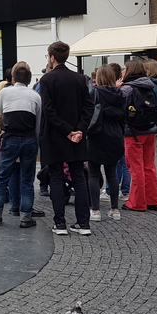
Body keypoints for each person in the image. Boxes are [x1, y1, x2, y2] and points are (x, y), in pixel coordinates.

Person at [38, 41, 94, 236]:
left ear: (52, 58)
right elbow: (89, 106)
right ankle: (83, 223)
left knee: (56, 177)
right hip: (77, 136)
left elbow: (48, 110)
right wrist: (79, 130)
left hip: (55, 135)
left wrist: (67, 130)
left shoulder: (47, 80)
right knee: (78, 177)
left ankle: (60, 223)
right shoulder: (79, 79)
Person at [0, 62, 42, 228]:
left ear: (13, 78)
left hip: (10, 137)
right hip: (29, 138)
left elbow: (0, 112)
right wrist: (36, 143)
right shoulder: (35, 96)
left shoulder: (3, 93)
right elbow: (38, 124)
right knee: (27, 179)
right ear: (29, 80)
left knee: (2, 177)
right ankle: (25, 217)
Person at [118, 60, 157, 213]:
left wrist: (117, 89)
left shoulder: (127, 89)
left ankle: (137, 203)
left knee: (135, 168)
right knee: (149, 166)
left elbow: (118, 108)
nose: (123, 71)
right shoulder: (150, 86)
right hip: (150, 130)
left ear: (130, 70)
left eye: (125, 69)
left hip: (133, 132)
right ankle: (153, 200)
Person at [86, 63, 124, 222]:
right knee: (112, 174)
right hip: (115, 136)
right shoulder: (120, 94)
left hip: (97, 135)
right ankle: (115, 209)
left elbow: (88, 114)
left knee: (93, 174)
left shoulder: (95, 93)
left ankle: (95, 210)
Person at [110, 63, 131, 202]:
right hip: (125, 129)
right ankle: (125, 190)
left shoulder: (120, 90)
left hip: (119, 130)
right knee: (124, 163)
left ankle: (119, 190)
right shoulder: (127, 88)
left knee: (118, 162)